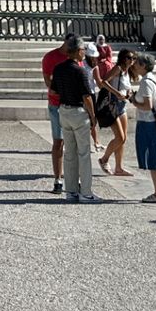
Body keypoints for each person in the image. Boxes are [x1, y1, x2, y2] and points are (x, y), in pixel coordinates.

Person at [49, 38, 102, 203]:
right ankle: (85, 192)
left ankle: (71, 191)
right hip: (78, 112)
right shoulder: (80, 71)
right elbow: (87, 96)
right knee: (84, 154)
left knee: (70, 153)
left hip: (64, 110)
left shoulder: (58, 68)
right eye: (83, 49)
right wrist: (93, 116)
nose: (84, 52)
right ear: (78, 51)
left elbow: (53, 90)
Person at [127, 54, 156, 203]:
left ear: (143, 66)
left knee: (152, 158)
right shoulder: (152, 79)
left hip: (147, 122)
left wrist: (133, 100)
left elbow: (147, 105)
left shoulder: (145, 82)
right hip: (153, 122)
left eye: (137, 63)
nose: (134, 65)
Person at [41, 35, 80, 194]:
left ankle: (74, 178)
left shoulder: (77, 57)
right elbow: (48, 81)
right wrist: (64, 92)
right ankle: (58, 179)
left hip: (73, 104)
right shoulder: (51, 57)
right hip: (57, 104)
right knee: (59, 141)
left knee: (74, 142)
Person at [98, 48, 136, 177]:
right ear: (123, 58)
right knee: (120, 137)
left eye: (133, 58)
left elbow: (126, 87)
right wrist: (116, 93)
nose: (132, 60)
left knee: (123, 139)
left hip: (122, 105)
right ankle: (104, 159)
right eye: (129, 58)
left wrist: (129, 93)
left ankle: (119, 168)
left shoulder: (127, 72)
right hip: (113, 104)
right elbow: (104, 81)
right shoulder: (118, 68)